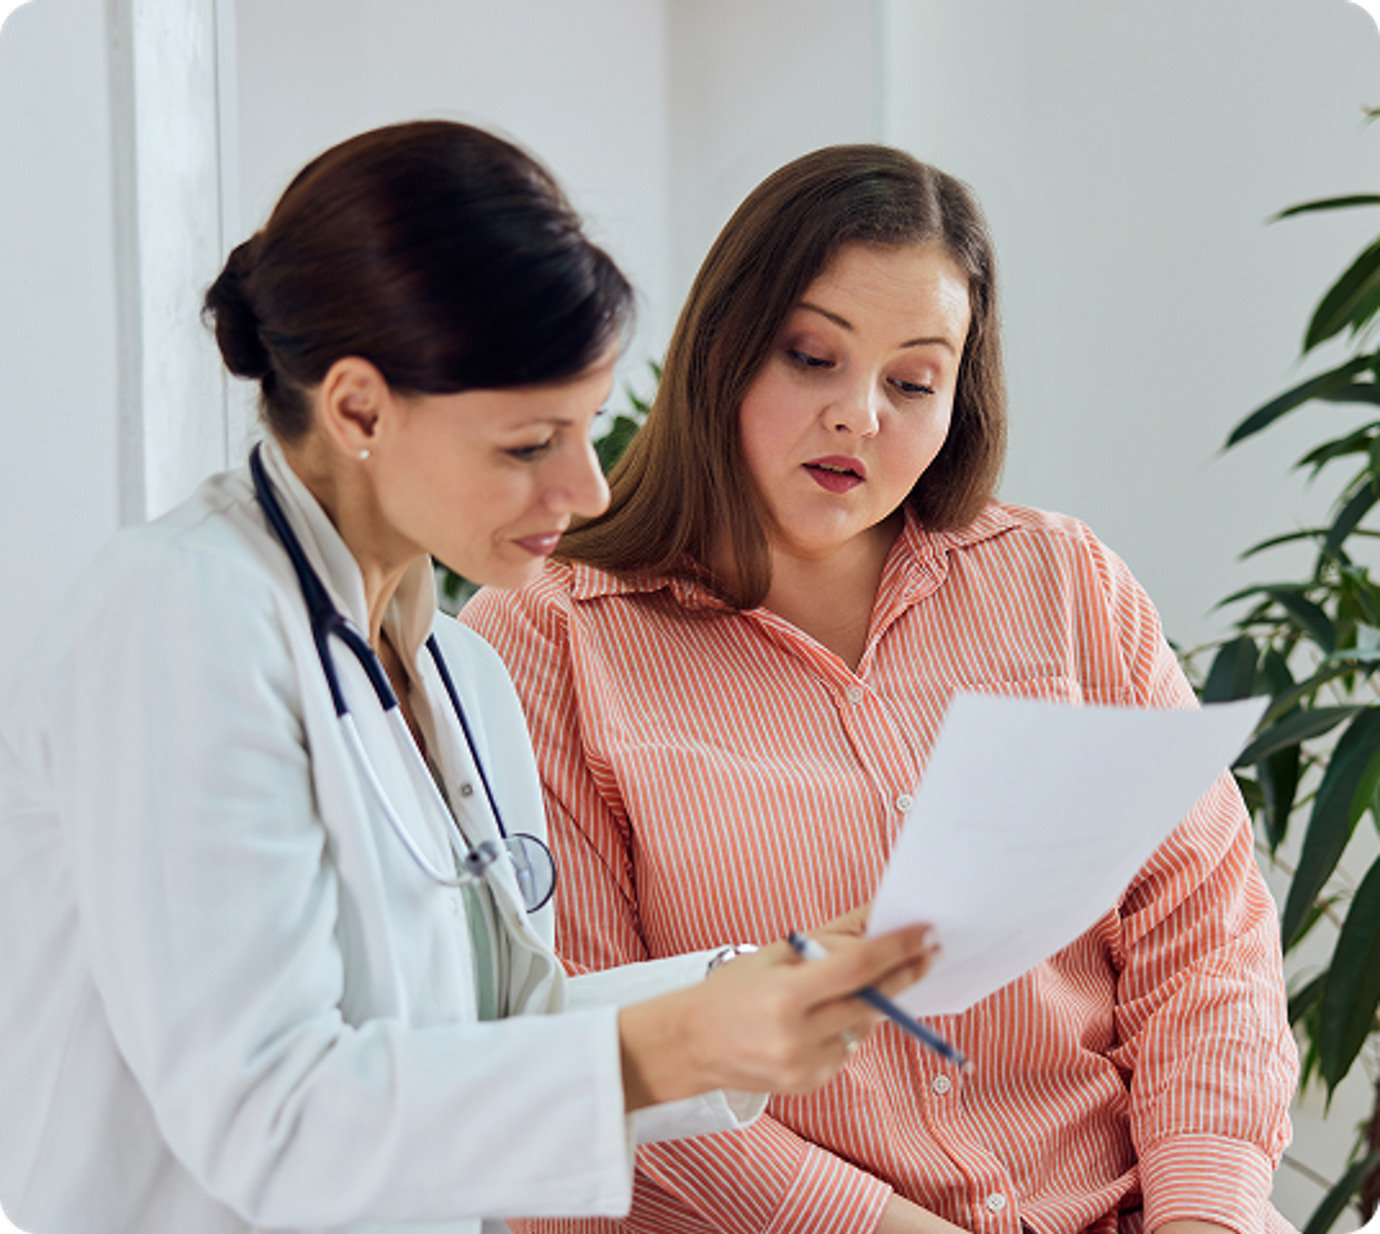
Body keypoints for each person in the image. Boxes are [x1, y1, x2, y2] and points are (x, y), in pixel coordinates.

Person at [0, 123, 939, 1234]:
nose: (587, 488)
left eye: (588, 429)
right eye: (530, 442)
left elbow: (502, 1025)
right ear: (357, 408)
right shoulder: (178, 622)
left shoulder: (461, 672)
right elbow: (272, 1120)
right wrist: (682, 1040)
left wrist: (755, 983)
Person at [461, 145, 1301, 1234]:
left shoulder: (1065, 584)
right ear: (721, 348)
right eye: (812, 356)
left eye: (912, 380)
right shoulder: (547, 638)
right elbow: (591, 1055)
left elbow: (1207, 944)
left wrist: (1204, 1213)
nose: (861, 413)